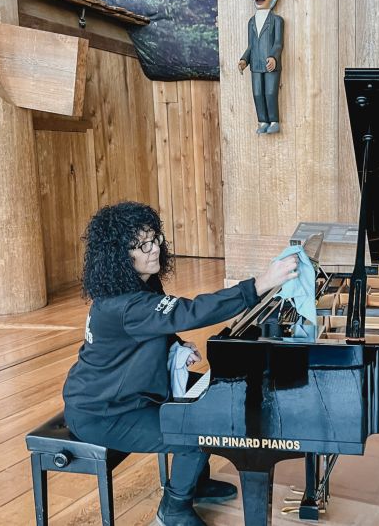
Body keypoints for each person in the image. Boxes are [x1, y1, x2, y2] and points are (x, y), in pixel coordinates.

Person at [62, 201, 297, 526]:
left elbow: (153, 326)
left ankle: (195, 482)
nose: (154, 249)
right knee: (197, 429)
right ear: (118, 256)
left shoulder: (137, 285)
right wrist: (258, 285)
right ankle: (173, 510)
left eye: (155, 239)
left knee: (210, 398)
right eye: (142, 245)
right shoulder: (125, 305)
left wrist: (175, 344)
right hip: (104, 413)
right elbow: (189, 311)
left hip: (127, 394)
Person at [238, 0, 283, 134]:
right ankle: (262, 121)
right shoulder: (251, 22)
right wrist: (244, 60)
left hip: (270, 64)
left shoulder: (277, 20)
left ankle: (274, 121)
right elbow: (250, 45)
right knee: (257, 93)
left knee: (270, 92)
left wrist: (273, 57)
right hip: (255, 64)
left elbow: (278, 43)